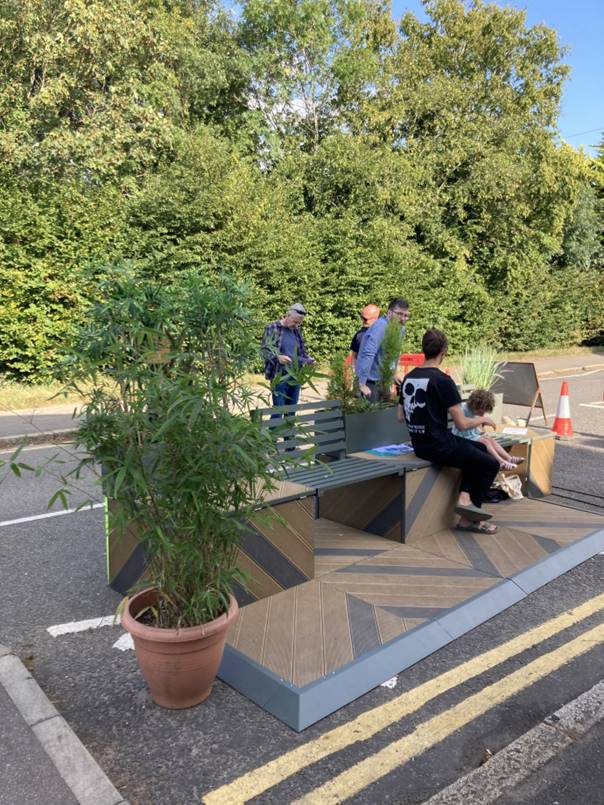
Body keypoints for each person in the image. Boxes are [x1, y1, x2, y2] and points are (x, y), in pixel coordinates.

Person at [397, 328, 501, 534]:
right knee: (490, 464)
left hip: (420, 446)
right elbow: (462, 424)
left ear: (423, 349)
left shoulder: (409, 378)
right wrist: (482, 419)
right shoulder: (443, 381)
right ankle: (469, 519)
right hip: (440, 445)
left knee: (479, 449)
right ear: (443, 351)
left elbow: (400, 417)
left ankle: (464, 498)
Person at [452, 389, 524, 471]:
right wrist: (482, 420)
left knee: (490, 439)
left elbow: (475, 425)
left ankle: (509, 458)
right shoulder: (463, 409)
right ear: (475, 404)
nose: (482, 415)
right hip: (461, 437)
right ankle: (500, 461)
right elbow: (463, 425)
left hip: (471, 436)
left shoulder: (474, 411)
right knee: (485, 442)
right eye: (481, 412)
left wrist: (481, 430)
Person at [260, 303, 315, 408]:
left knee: (291, 411)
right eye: (295, 322)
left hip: (296, 376)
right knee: (279, 410)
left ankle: (291, 425)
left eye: (299, 323)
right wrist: (277, 358)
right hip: (279, 376)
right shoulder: (272, 327)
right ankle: (275, 425)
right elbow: (264, 351)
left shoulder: (296, 331)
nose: (296, 325)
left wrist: (309, 360)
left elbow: (301, 353)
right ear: (288, 315)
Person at [356, 297, 409, 403]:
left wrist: (393, 374)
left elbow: (394, 354)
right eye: (399, 314)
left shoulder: (401, 329)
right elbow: (368, 354)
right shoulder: (380, 326)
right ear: (389, 312)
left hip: (385, 380)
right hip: (370, 382)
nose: (403, 318)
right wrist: (361, 383)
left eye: (406, 315)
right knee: (372, 416)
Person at [348, 304, 381, 371]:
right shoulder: (359, 335)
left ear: (375, 319)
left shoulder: (384, 333)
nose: (363, 321)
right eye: (362, 318)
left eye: (365, 319)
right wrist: (355, 371)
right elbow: (354, 356)